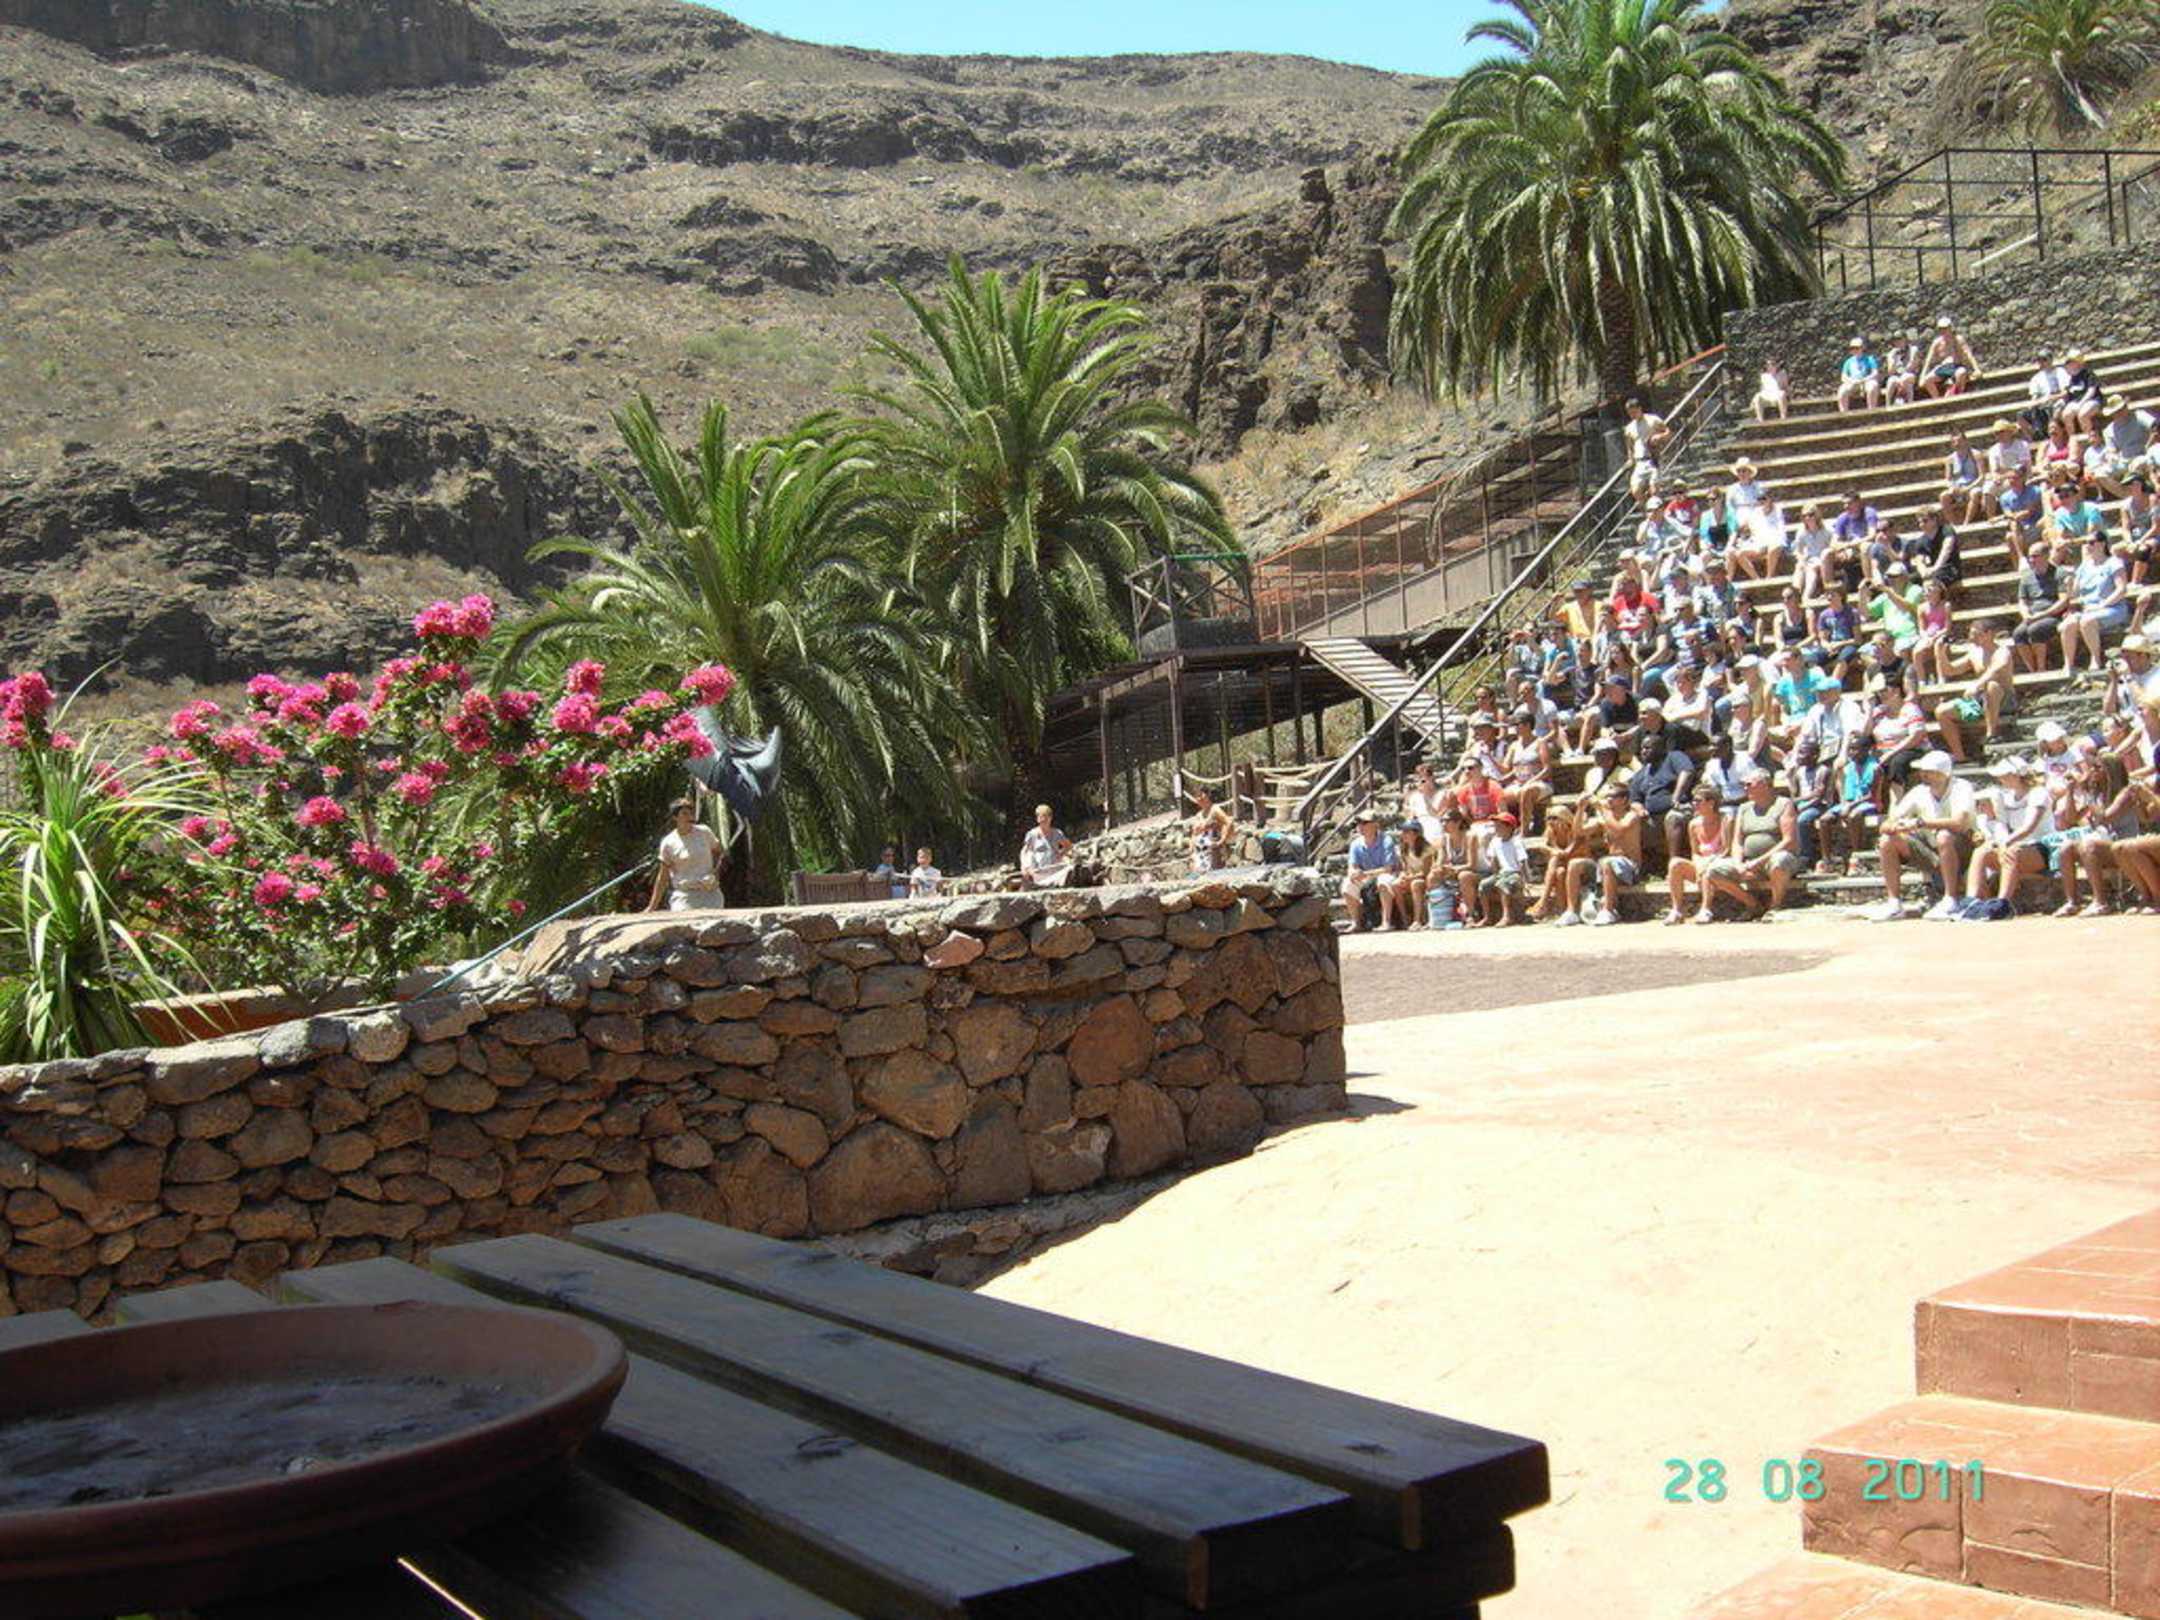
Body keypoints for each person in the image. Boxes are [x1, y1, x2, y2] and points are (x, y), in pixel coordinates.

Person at [1870, 749, 1976, 921]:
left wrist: (1920, 823)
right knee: (1886, 841)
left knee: (1944, 836)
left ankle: (1951, 899)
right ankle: (1894, 903)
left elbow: (1959, 823)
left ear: (1942, 773)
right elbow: (1888, 823)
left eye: (1928, 772)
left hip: (1963, 850)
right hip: (1931, 850)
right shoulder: (1918, 791)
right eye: (1923, 771)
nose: (1922, 775)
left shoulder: (1962, 787)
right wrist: (1895, 827)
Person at [1701, 766, 1802, 919]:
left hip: (1774, 859)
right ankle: (1753, 904)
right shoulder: (1744, 808)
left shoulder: (1784, 804)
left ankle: (1775, 906)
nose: (1745, 788)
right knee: (1714, 870)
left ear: (1764, 785)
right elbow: (1737, 841)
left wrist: (1758, 862)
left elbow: (1789, 840)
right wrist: (1738, 864)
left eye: (1749, 784)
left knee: (1779, 860)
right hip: (1749, 862)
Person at [1964, 756, 2051, 912]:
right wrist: (1999, 843)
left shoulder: (2039, 794)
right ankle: (1970, 901)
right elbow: (2002, 825)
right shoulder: (2006, 797)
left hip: (2043, 849)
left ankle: (2003, 903)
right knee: (1981, 852)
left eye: (2004, 775)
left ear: (2016, 775)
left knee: (2011, 852)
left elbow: (2028, 827)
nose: (2000, 779)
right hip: (2016, 847)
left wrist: (2005, 843)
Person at [1558, 778, 1644, 927]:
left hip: (1630, 866)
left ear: (1624, 800)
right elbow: (1579, 832)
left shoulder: (1631, 816)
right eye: (1607, 797)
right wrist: (1581, 808)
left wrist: (1602, 809)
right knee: (1574, 864)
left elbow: (1619, 830)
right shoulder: (1604, 818)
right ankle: (1571, 911)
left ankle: (1608, 911)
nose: (1608, 800)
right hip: (1606, 865)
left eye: (1613, 797)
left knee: (1606, 862)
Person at [1933, 618, 2017, 761]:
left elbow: (1996, 669)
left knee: (1992, 686)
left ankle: (1991, 734)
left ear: (1988, 634)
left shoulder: (2002, 651)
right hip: (1979, 704)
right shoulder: (1974, 653)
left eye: (1976, 634)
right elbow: (1950, 670)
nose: (1972, 638)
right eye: (1971, 634)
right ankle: (1960, 756)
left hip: (2004, 703)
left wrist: (1977, 684)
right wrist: (1940, 653)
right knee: (1942, 711)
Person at [2063, 531, 2130, 681]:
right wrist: (2069, 584)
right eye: (2086, 543)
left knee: (2087, 621)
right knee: (2068, 624)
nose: (2087, 546)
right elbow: (2074, 594)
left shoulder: (2114, 563)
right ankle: (2069, 664)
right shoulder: (2084, 566)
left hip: (2113, 608)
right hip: (2089, 609)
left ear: (2102, 544)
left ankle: (2096, 658)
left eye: (2091, 542)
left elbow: (2121, 590)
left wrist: (2101, 605)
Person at [1663, 784, 1729, 924]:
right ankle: (1677, 910)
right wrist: (1699, 864)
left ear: (1711, 803)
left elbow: (1726, 849)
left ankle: (1706, 909)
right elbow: (1695, 852)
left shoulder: (1725, 820)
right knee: (1675, 864)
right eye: (1693, 800)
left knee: (1708, 870)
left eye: (1698, 801)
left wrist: (1707, 864)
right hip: (1702, 865)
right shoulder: (1693, 824)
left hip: (1720, 865)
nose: (1694, 804)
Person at [649, 797, 728, 911]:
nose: (689, 817)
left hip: (711, 894)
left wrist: (715, 873)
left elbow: (720, 853)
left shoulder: (704, 832)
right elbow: (663, 877)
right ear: (675, 817)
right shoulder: (668, 842)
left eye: (691, 813)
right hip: (685, 896)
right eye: (684, 813)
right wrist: (652, 907)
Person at [2010, 538, 2071, 674]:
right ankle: (2033, 670)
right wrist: (2026, 614)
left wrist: (2042, 615)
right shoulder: (2026, 577)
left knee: (2036, 630)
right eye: (2029, 556)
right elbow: (2022, 601)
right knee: (2018, 634)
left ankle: (2041, 668)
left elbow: (2063, 601)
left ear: (2046, 556)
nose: (2031, 560)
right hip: (2033, 615)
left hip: (2053, 615)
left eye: (2035, 556)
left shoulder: (2059, 574)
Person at [1826, 736, 1883, 875]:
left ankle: (1857, 857)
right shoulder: (1849, 768)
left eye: (1855, 749)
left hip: (1869, 804)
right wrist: (1846, 805)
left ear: (1866, 750)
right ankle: (1827, 860)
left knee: (1853, 816)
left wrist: (1850, 806)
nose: (1852, 753)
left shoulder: (1875, 768)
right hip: (1852, 802)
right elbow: (1848, 794)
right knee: (1824, 819)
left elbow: (1872, 795)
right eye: (1850, 749)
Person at [1340, 811, 1399, 932]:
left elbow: (1388, 868)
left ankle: (1386, 922)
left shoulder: (1386, 840)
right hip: (1366, 876)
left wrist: (1365, 874)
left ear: (1375, 824)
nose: (1360, 826)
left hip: (1384, 874)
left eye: (1364, 823)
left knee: (1383, 882)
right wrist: (1353, 873)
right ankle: (1356, 922)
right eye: (1358, 823)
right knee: (1347, 886)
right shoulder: (1356, 843)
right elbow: (1352, 866)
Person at [2093, 396, 2157, 497]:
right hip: (2123, 461)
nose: (2119, 413)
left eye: (2121, 409)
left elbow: (2156, 428)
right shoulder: (2108, 431)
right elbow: (2111, 450)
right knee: (2099, 474)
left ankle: (2141, 494)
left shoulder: (2139, 416)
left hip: (2143, 454)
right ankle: (2128, 496)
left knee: (2137, 465)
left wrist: (2148, 446)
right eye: (2116, 411)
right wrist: (2112, 456)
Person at [1920, 313, 1980, 397]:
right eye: (1941, 329)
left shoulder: (1958, 339)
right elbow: (1928, 361)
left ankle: (1957, 395)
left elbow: (1968, 354)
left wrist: (1977, 369)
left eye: (1945, 328)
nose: (1943, 331)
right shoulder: (1937, 342)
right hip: (1944, 368)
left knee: (1961, 373)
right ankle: (1938, 400)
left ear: (1950, 328)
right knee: (1927, 380)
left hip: (1957, 366)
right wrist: (1922, 376)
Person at [1391, 819, 1436, 929]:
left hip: (1424, 879)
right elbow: (1405, 868)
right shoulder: (1404, 849)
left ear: (1416, 834)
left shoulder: (1427, 849)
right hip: (1411, 877)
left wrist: (1410, 877)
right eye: (1403, 831)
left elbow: (1426, 872)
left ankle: (1417, 920)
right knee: (1395, 885)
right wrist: (1403, 876)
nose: (1403, 834)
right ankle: (1404, 918)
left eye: (1407, 832)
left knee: (1416, 884)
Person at [1623, 396, 1671, 497]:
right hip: (1639, 462)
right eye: (1630, 413)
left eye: (1634, 412)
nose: (1632, 415)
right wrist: (1630, 458)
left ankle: (1655, 503)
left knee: (1654, 490)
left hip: (1653, 459)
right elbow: (1629, 446)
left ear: (1640, 409)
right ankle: (1646, 506)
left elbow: (1668, 432)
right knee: (1635, 491)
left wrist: (1659, 436)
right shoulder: (1629, 428)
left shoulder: (1653, 420)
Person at [1019, 803, 1073, 888]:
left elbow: (1068, 846)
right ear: (1038, 819)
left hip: (1053, 869)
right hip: (1039, 871)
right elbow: (1024, 852)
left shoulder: (1057, 833)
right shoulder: (1032, 834)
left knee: (1069, 867)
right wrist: (1024, 867)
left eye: (1046, 817)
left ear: (1050, 818)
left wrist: (1060, 854)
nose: (1043, 820)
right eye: (1041, 817)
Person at [1188, 786, 1235, 872]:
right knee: (1201, 876)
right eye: (1197, 796)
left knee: (1214, 875)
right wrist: (1191, 850)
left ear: (1207, 795)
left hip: (1213, 851)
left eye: (1201, 795)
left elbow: (1229, 822)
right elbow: (1194, 834)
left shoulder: (1215, 809)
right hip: (1199, 853)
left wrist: (1222, 840)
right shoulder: (1198, 815)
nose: (1199, 798)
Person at [1943, 430, 1985, 525]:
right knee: (1944, 496)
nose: (1957, 444)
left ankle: (1967, 522)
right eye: (1954, 442)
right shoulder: (1949, 459)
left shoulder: (1976, 455)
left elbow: (1982, 476)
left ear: (1965, 441)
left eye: (1959, 441)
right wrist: (1952, 487)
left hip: (1973, 484)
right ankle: (1953, 522)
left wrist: (1968, 488)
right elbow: (1948, 479)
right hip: (1957, 486)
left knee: (1974, 493)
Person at [1836, 335, 1881, 412]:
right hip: (1853, 382)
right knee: (1842, 390)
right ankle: (1844, 414)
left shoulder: (1869, 359)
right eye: (1852, 348)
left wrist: (1864, 380)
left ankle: (1872, 411)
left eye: (1857, 348)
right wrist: (1851, 381)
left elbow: (1875, 373)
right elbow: (1843, 377)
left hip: (1866, 381)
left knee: (1872, 387)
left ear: (1862, 348)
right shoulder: (1848, 361)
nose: (1854, 350)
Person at [1884, 328, 1922, 406]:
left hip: (1911, 374)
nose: (1898, 342)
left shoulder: (1913, 349)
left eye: (1900, 339)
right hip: (1897, 376)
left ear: (1905, 339)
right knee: (1891, 381)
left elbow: (1912, 365)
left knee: (1905, 378)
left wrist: (1902, 375)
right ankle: (1888, 406)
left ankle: (1909, 405)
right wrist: (1893, 360)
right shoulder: (1891, 353)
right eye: (1896, 340)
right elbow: (1890, 372)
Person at [1753, 357, 1790, 422]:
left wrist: (1788, 395)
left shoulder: (1782, 374)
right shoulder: (1764, 376)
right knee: (1757, 396)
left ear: (1776, 365)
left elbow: (1786, 386)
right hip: (1767, 394)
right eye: (1768, 365)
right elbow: (1762, 388)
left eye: (1772, 364)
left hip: (1778, 393)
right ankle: (1760, 419)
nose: (1770, 366)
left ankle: (1783, 417)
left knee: (1782, 394)